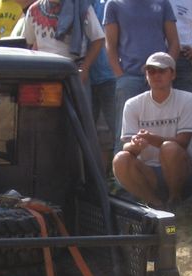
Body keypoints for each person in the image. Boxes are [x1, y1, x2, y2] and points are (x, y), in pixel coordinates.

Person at [112, 52, 192, 210]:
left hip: (183, 173)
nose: (156, 75)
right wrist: (135, 146)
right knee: (120, 159)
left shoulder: (188, 99)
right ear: (146, 76)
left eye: (162, 71)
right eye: (151, 71)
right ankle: (154, 205)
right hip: (148, 173)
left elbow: (183, 142)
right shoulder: (132, 104)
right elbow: (126, 146)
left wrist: (151, 139)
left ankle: (175, 200)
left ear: (173, 74)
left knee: (169, 148)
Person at [102, 0, 179, 153]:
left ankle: (165, 166)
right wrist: (120, 75)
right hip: (129, 77)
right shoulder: (114, 4)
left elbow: (174, 42)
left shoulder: (163, 3)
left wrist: (167, 70)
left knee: (165, 129)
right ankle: (123, 167)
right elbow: (110, 45)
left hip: (160, 77)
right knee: (125, 136)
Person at [22, 0, 105, 84]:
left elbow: (98, 39)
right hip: (44, 72)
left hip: (73, 72)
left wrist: (85, 68)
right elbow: (30, 42)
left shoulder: (82, 7)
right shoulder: (33, 10)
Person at [90, 0, 116, 172]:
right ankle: (92, 179)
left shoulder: (109, 4)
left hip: (110, 76)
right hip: (83, 76)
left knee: (115, 131)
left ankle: (115, 179)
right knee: (86, 132)